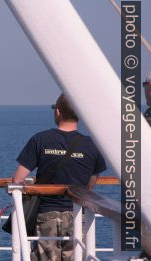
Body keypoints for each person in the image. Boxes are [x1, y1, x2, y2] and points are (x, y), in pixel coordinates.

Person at [12, 94, 106, 261]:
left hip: (47, 215)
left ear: (57, 112)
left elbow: (18, 180)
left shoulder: (40, 140)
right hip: (78, 215)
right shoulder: (91, 145)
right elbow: (90, 184)